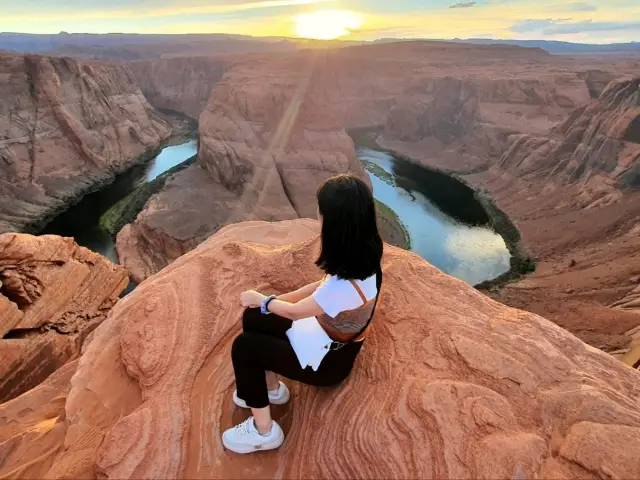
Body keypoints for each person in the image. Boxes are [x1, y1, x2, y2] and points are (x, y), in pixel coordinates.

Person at [222, 173, 384, 454]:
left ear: (335, 224)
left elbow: (298, 312)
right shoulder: (364, 256)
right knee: (254, 318)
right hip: (323, 336)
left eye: (321, 212)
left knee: (245, 348)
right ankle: (271, 390)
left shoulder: (344, 285)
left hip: (328, 361)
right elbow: (319, 289)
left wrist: (262, 299)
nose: (317, 216)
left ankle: (263, 431)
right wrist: (269, 304)